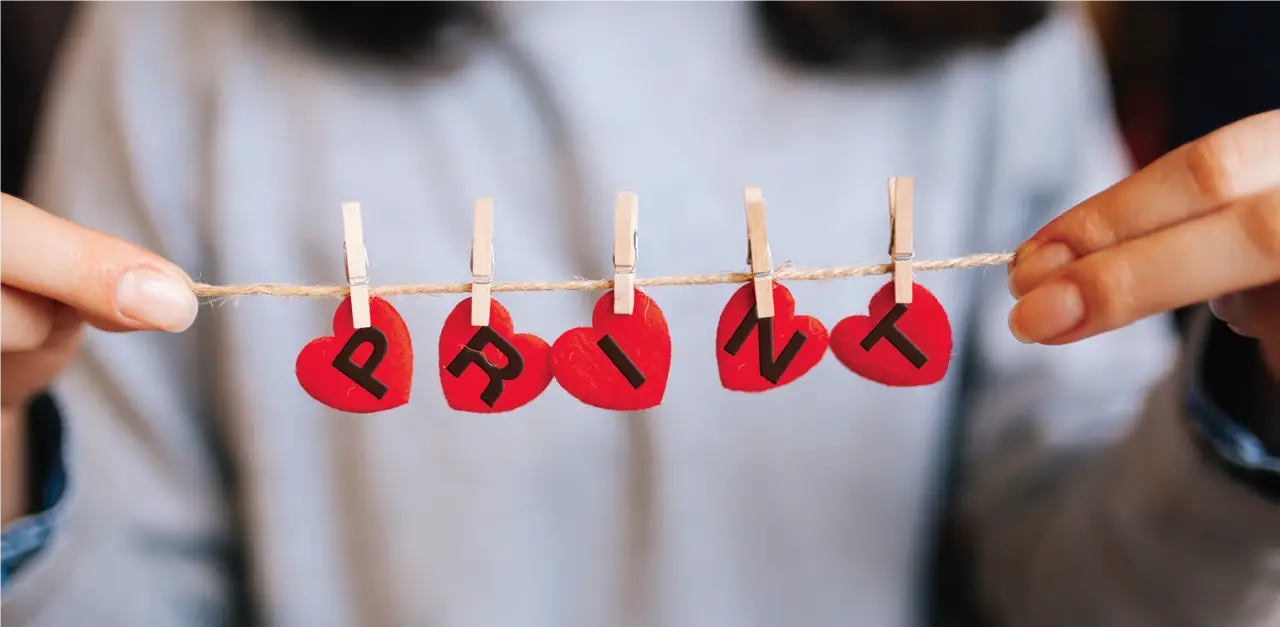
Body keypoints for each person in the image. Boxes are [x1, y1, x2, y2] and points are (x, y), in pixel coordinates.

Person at [0, 0, 1275, 625]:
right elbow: (107, 599)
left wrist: (1257, 395)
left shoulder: (991, 38)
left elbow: (1102, 593)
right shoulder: (175, 44)